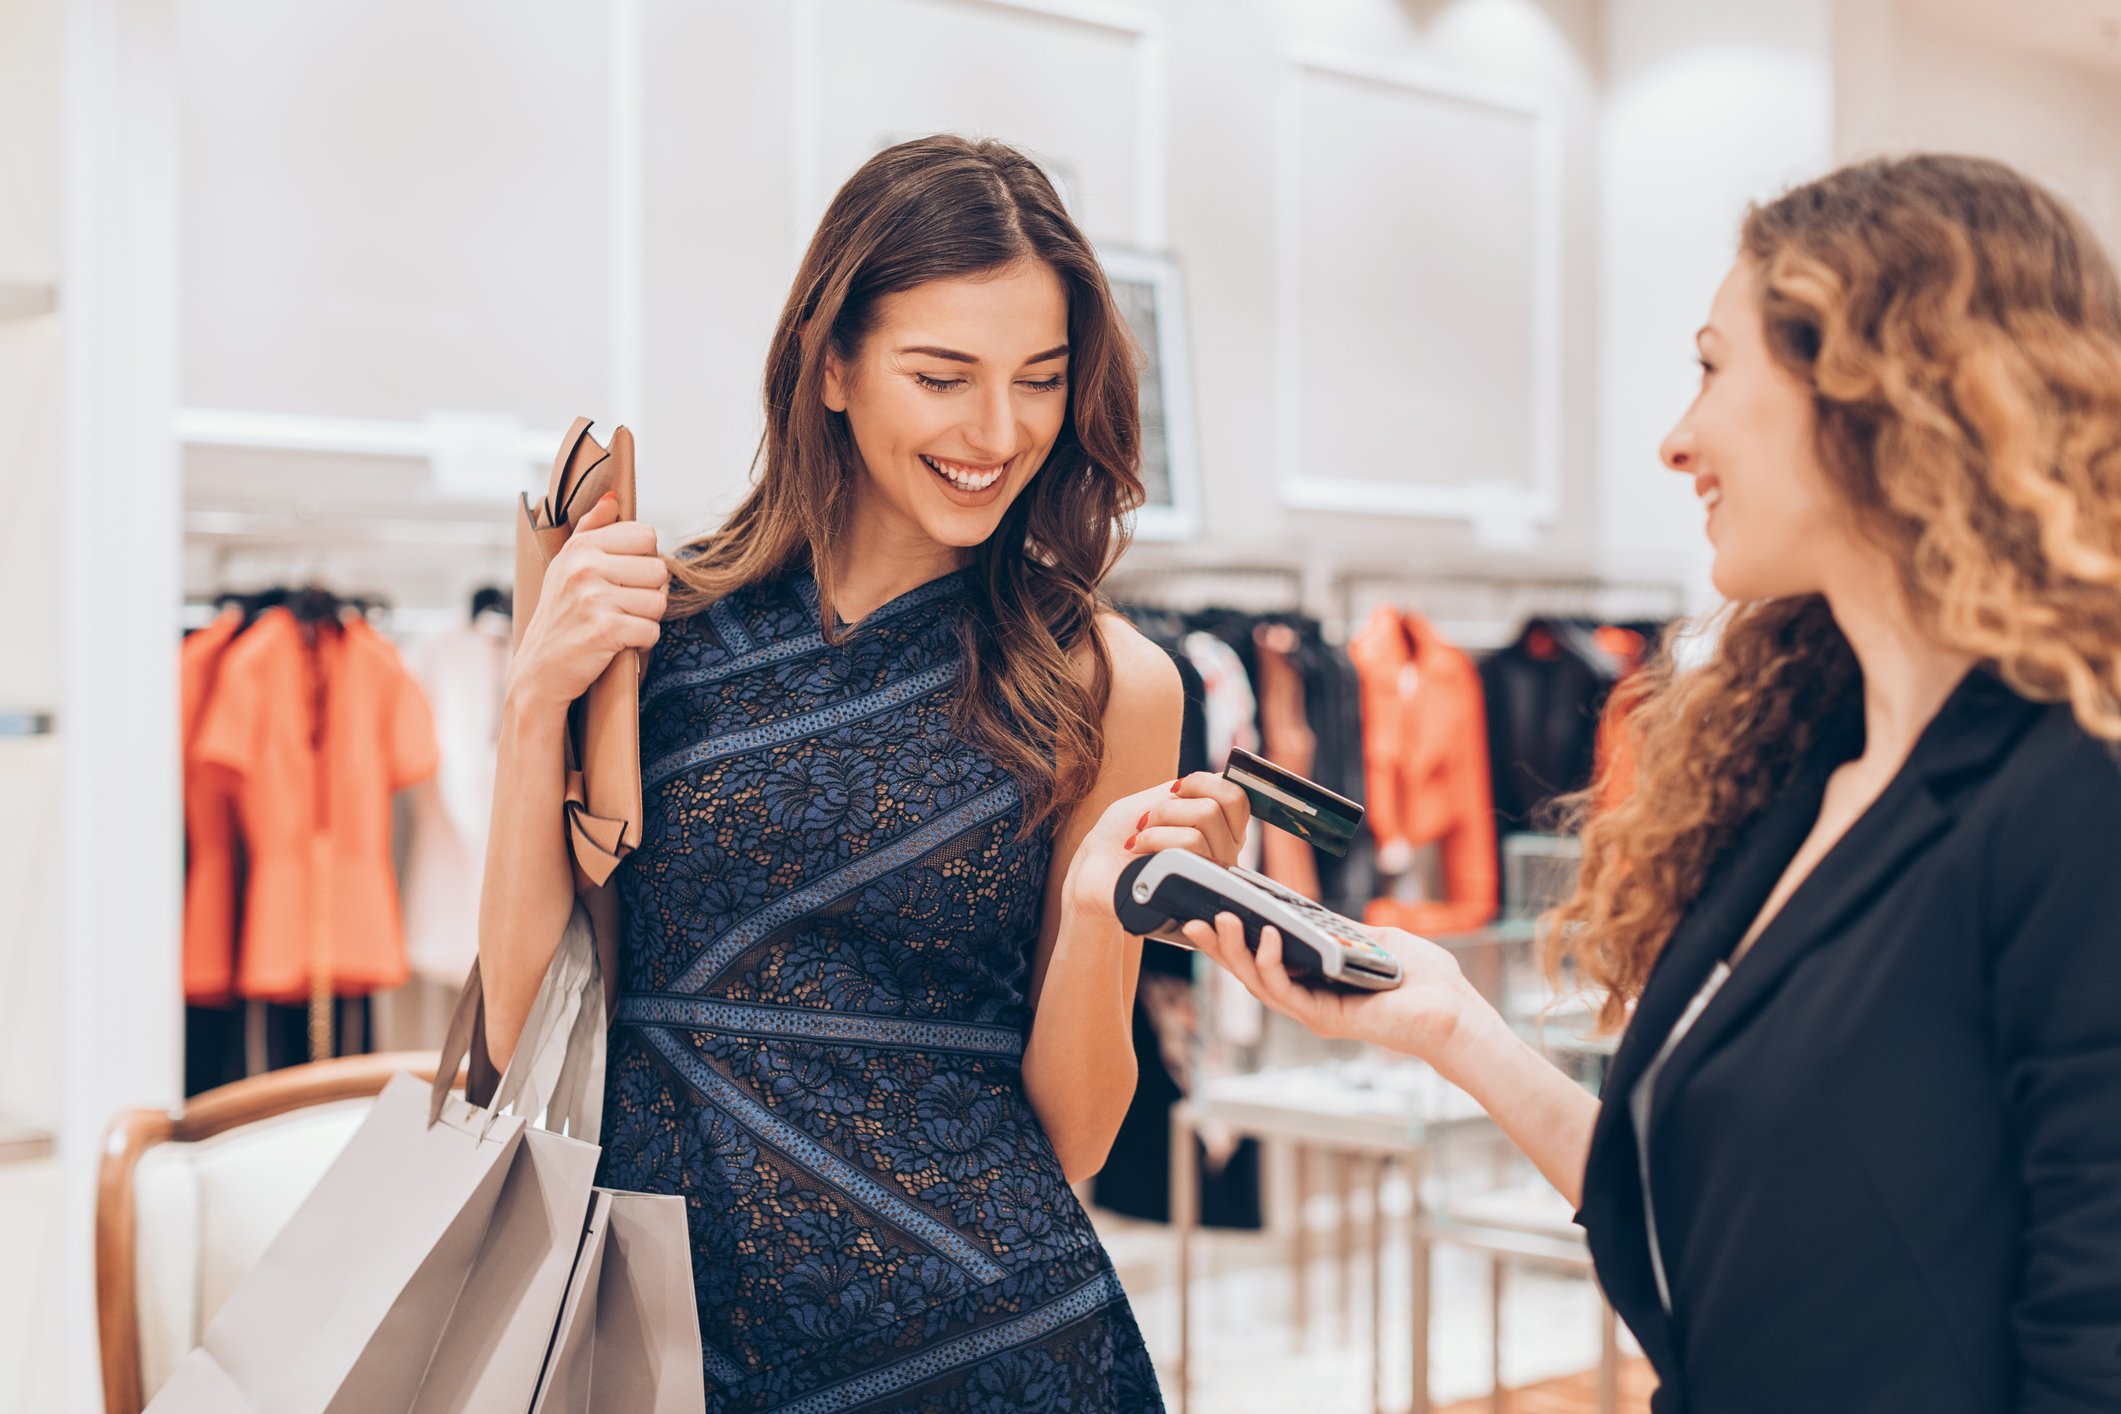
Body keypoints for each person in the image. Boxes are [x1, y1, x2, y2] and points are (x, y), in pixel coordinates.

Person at [1189, 154, 2121, 1413]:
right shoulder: (1807, 780)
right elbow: (1693, 1236)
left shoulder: (2073, 802)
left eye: (1713, 365)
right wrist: (1454, 1028)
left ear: (1875, 384)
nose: (1679, 439)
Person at [477, 135, 1247, 1410]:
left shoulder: (1114, 681)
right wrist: (528, 710)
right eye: (943, 377)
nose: (998, 433)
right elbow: (530, 1023)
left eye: (1041, 382)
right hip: (675, 1340)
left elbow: (1080, 1133)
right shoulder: (653, 623)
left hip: (989, 1346)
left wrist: (1108, 911)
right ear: (831, 363)